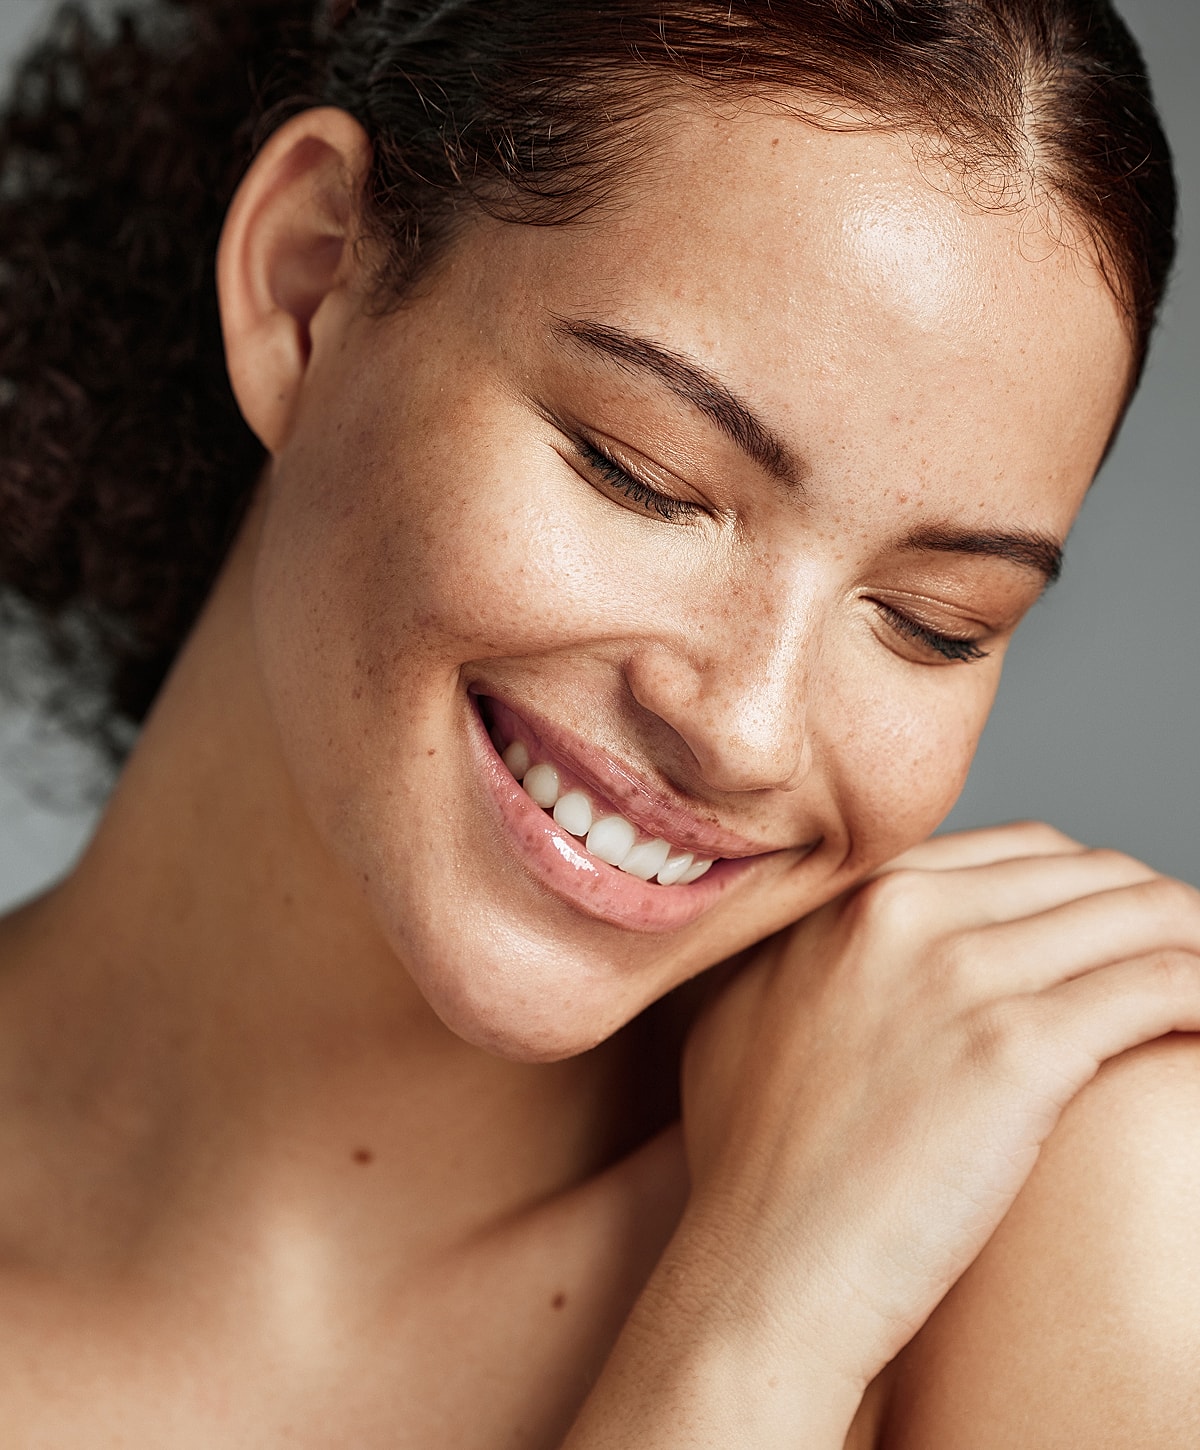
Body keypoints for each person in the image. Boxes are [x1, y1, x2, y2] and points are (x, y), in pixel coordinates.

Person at [0, 0, 1195, 1444]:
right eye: (644, 473)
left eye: (935, 620)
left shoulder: (1065, 1207)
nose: (748, 731)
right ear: (309, 285)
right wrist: (740, 1355)